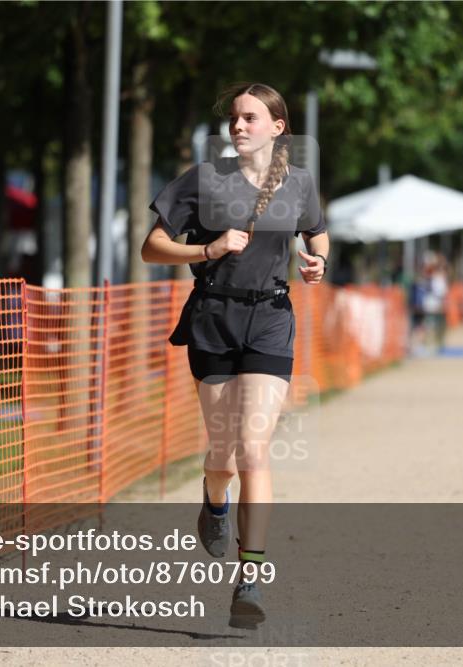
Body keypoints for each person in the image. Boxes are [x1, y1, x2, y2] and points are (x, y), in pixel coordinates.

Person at [140, 82, 329, 629]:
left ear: (278, 127)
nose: (239, 126)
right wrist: (208, 248)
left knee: (253, 448)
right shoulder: (204, 180)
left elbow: (318, 235)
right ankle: (214, 498)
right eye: (235, 119)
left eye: (251, 118)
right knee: (223, 454)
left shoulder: (298, 186)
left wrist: (317, 262)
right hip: (214, 322)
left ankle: (251, 575)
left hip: (270, 319)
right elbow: (151, 247)